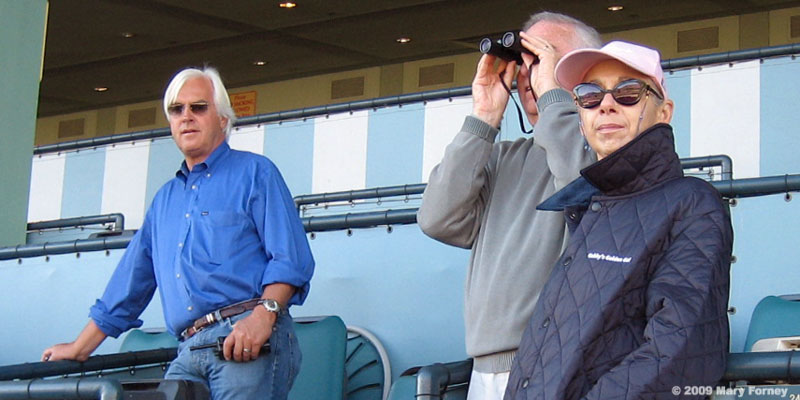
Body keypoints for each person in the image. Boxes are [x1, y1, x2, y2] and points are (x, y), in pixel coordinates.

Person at [42, 67, 315, 400]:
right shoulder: (164, 200)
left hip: (244, 339)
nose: (186, 117)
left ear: (223, 119)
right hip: (189, 346)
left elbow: (291, 257)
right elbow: (130, 283)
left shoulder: (256, 173)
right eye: (177, 109)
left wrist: (262, 317)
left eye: (198, 107)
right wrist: (80, 348)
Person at [504, 41, 733, 399]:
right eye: (589, 95)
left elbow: (681, 353)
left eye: (628, 92)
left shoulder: (691, 202)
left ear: (664, 112)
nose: (606, 104)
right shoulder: (589, 205)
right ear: (581, 118)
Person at [417, 11, 601, 399]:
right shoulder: (505, 157)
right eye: (526, 63)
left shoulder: (606, 151)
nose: (532, 76)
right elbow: (437, 219)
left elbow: (585, 189)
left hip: (566, 362)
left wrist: (554, 100)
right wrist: (483, 116)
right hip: (488, 370)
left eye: (548, 61)